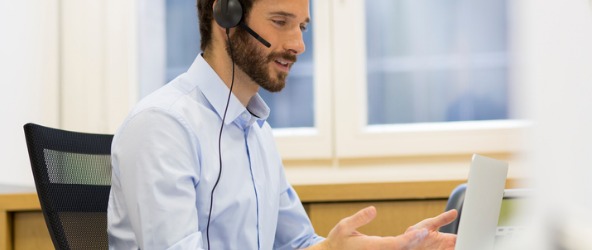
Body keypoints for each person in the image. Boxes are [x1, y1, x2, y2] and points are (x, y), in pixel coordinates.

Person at [107, 0, 458, 249]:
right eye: (280, 22)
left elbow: (298, 243)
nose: (298, 44)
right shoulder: (162, 127)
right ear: (226, 15)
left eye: (301, 26)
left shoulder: (256, 130)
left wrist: (381, 247)